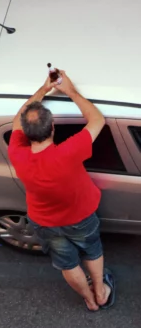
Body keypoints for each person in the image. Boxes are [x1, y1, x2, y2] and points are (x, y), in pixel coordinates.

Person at [8, 70, 114, 311]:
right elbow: (97, 120)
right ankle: (101, 291)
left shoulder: (17, 152)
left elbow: (18, 119)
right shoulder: (67, 153)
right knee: (92, 251)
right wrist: (70, 91)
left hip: (44, 222)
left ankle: (88, 300)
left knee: (68, 264)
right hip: (80, 217)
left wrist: (43, 89)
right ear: (53, 127)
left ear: (25, 132)